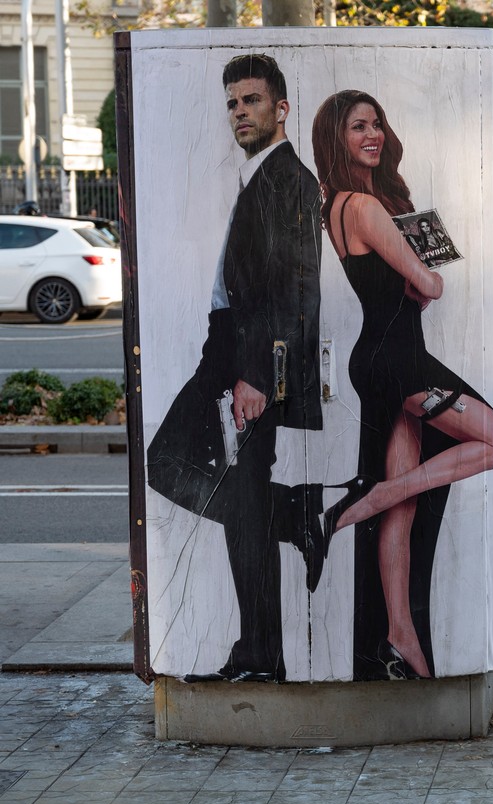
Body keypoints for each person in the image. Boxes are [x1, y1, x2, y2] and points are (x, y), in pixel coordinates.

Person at [147, 54, 324, 683]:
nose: (239, 112)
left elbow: (296, 291)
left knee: (228, 490)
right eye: (232, 102)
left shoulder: (289, 181)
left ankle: (259, 654)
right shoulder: (259, 178)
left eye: (251, 100)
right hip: (228, 350)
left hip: (250, 360)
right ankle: (296, 516)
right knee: (178, 467)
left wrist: (257, 376)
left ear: (281, 109)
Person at [311, 89, 493, 680]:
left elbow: (396, 283)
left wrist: (411, 273)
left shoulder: (335, 206)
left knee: (407, 511)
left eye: (377, 124)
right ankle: (363, 501)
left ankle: (400, 633)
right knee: (492, 439)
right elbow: (429, 286)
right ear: (335, 140)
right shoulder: (362, 207)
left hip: (383, 356)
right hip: (398, 362)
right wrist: (425, 273)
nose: (373, 135)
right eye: (358, 127)